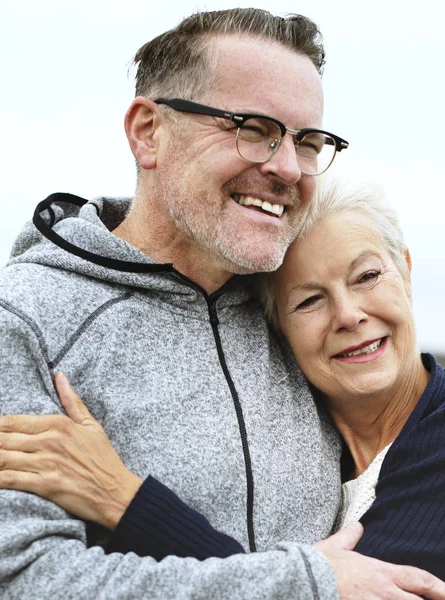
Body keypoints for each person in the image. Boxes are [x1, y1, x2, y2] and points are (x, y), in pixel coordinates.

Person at [0, 7, 443, 599]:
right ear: (147, 131)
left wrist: (127, 501)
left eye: (307, 141)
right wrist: (304, 585)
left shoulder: (289, 314)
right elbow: (24, 580)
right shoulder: (26, 320)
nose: (286, 167)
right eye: (252, 127)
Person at [4, 181, 445, 585]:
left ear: (404, 271)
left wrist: (125, 499)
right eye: (310, 300)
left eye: (367, 276)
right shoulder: (292, 432)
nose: (349, 315)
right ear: (276, 327)